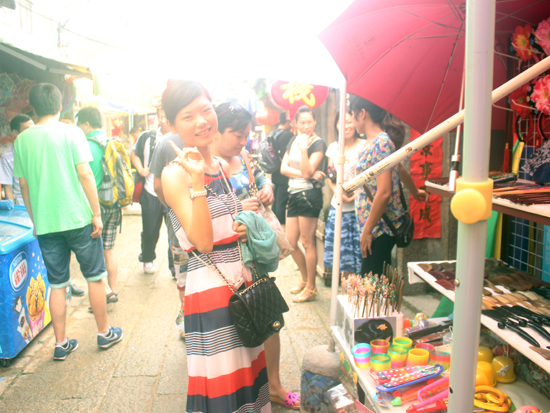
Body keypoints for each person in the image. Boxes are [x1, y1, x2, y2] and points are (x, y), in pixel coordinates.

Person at [160, 79, 270, 412]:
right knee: (224, 380)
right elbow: (203, 241)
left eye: (206, 110)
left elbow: (227, 221)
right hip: (211, 285)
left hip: (242, 278)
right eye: (187, 116)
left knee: (248, 373)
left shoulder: (222, 167)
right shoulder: (175, 174)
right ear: (172, 125)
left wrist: (244, 224)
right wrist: (196, 178)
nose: (201, 121)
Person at [14, 83, 123, 361]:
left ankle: (61, 343)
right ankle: (103, 333)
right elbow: (85, 174)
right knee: (95, 277)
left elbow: (24, 185)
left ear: (33, 108)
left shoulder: (22, 140)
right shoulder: (72, 132)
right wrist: (96, 214)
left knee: (57, 283)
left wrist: (36, 220)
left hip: (46, 224)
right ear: (60, 105)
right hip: (78, 218)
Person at [211, 103, 299, 410]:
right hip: (225, 261)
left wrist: (267, 187)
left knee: (268, 316)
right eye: (237, 135)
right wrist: (237, 212)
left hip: (254, 256)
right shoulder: (206, 167)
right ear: (216, 131)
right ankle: (244, 387)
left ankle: (273, 384)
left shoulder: (244, 157)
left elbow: (261, 177)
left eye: (246, 135)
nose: (242, 141)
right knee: (236, 323)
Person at [350, 94, 427, 276]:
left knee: (371, 281)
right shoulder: (374, 142)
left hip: (379, 227)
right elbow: (399, 167)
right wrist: (414, 191)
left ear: (363, 114)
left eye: (353, 115)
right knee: (375, 280)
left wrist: (367, 230)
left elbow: (384, 192)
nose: (352, 121)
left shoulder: (381, 142)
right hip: (374, 225)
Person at [149, 107, 189, 334]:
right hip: (207, 219)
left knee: (182, 271)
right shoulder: (207, 135)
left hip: (177, 224)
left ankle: (186, 319)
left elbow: (157, 186)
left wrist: (171, 208)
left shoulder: (164, 142)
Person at [280, 106, 326, 303]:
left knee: (307, 242)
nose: (306, 126)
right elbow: (283, 169)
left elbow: (308, 171)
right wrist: (306, 175)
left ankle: (311, 287)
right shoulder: (293, 140)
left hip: (309, 195)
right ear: (296, 123)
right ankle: (305, 279)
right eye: (302, 122)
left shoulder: (318, 143)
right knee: (290, 243)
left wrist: (304, 149)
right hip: (294, 193)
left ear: (315, 122)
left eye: (309, 122)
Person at [76, 107, 120, 305]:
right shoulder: (111, 142)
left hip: (96, 207)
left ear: (86, 124)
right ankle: (112, 289)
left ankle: (105, 294)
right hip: (113, 202)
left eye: (79, 124)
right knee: (108, 250)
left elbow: (85, 178)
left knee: (93, 254)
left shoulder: (86, 145)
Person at [130, 108, 171, 274]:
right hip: (150, 191)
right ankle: (147, 258)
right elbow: (134, 154)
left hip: (172, 192)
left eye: (166, 116)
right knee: (150, 229)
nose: (163, 120)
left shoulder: (180, 137)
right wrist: (140, 169)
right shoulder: (146, 136)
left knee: (176, 232)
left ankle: (176, 266)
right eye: (160, 116)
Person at [324, 110, 364, 277]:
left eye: (349, 121)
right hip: (338, 208)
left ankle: (357, 291)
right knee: (342, 259)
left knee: (359, 257)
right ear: (336, 126)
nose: (346, 126)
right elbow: (330, 176)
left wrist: (356, 195)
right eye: (342, 122)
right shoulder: (334, 147)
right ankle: (345, 290)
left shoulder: (365, 145)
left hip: (360, 210)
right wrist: (338, 193)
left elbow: (370, 177)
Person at [0, 114, 33, 205]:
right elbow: (8, 190)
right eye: (27, 129)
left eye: (33, 129)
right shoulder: (7, 157)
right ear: (15, 132)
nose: (32, 132)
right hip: (22, 205)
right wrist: (14, 210)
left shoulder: (41, 150)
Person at [270, 112, 295, 230]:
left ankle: (274, 226)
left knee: (276, 201)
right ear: (288, 122)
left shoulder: (273, 134)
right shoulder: (288, 135)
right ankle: (281, 229)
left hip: (274, 172)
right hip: (284, 173)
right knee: (281, 202)